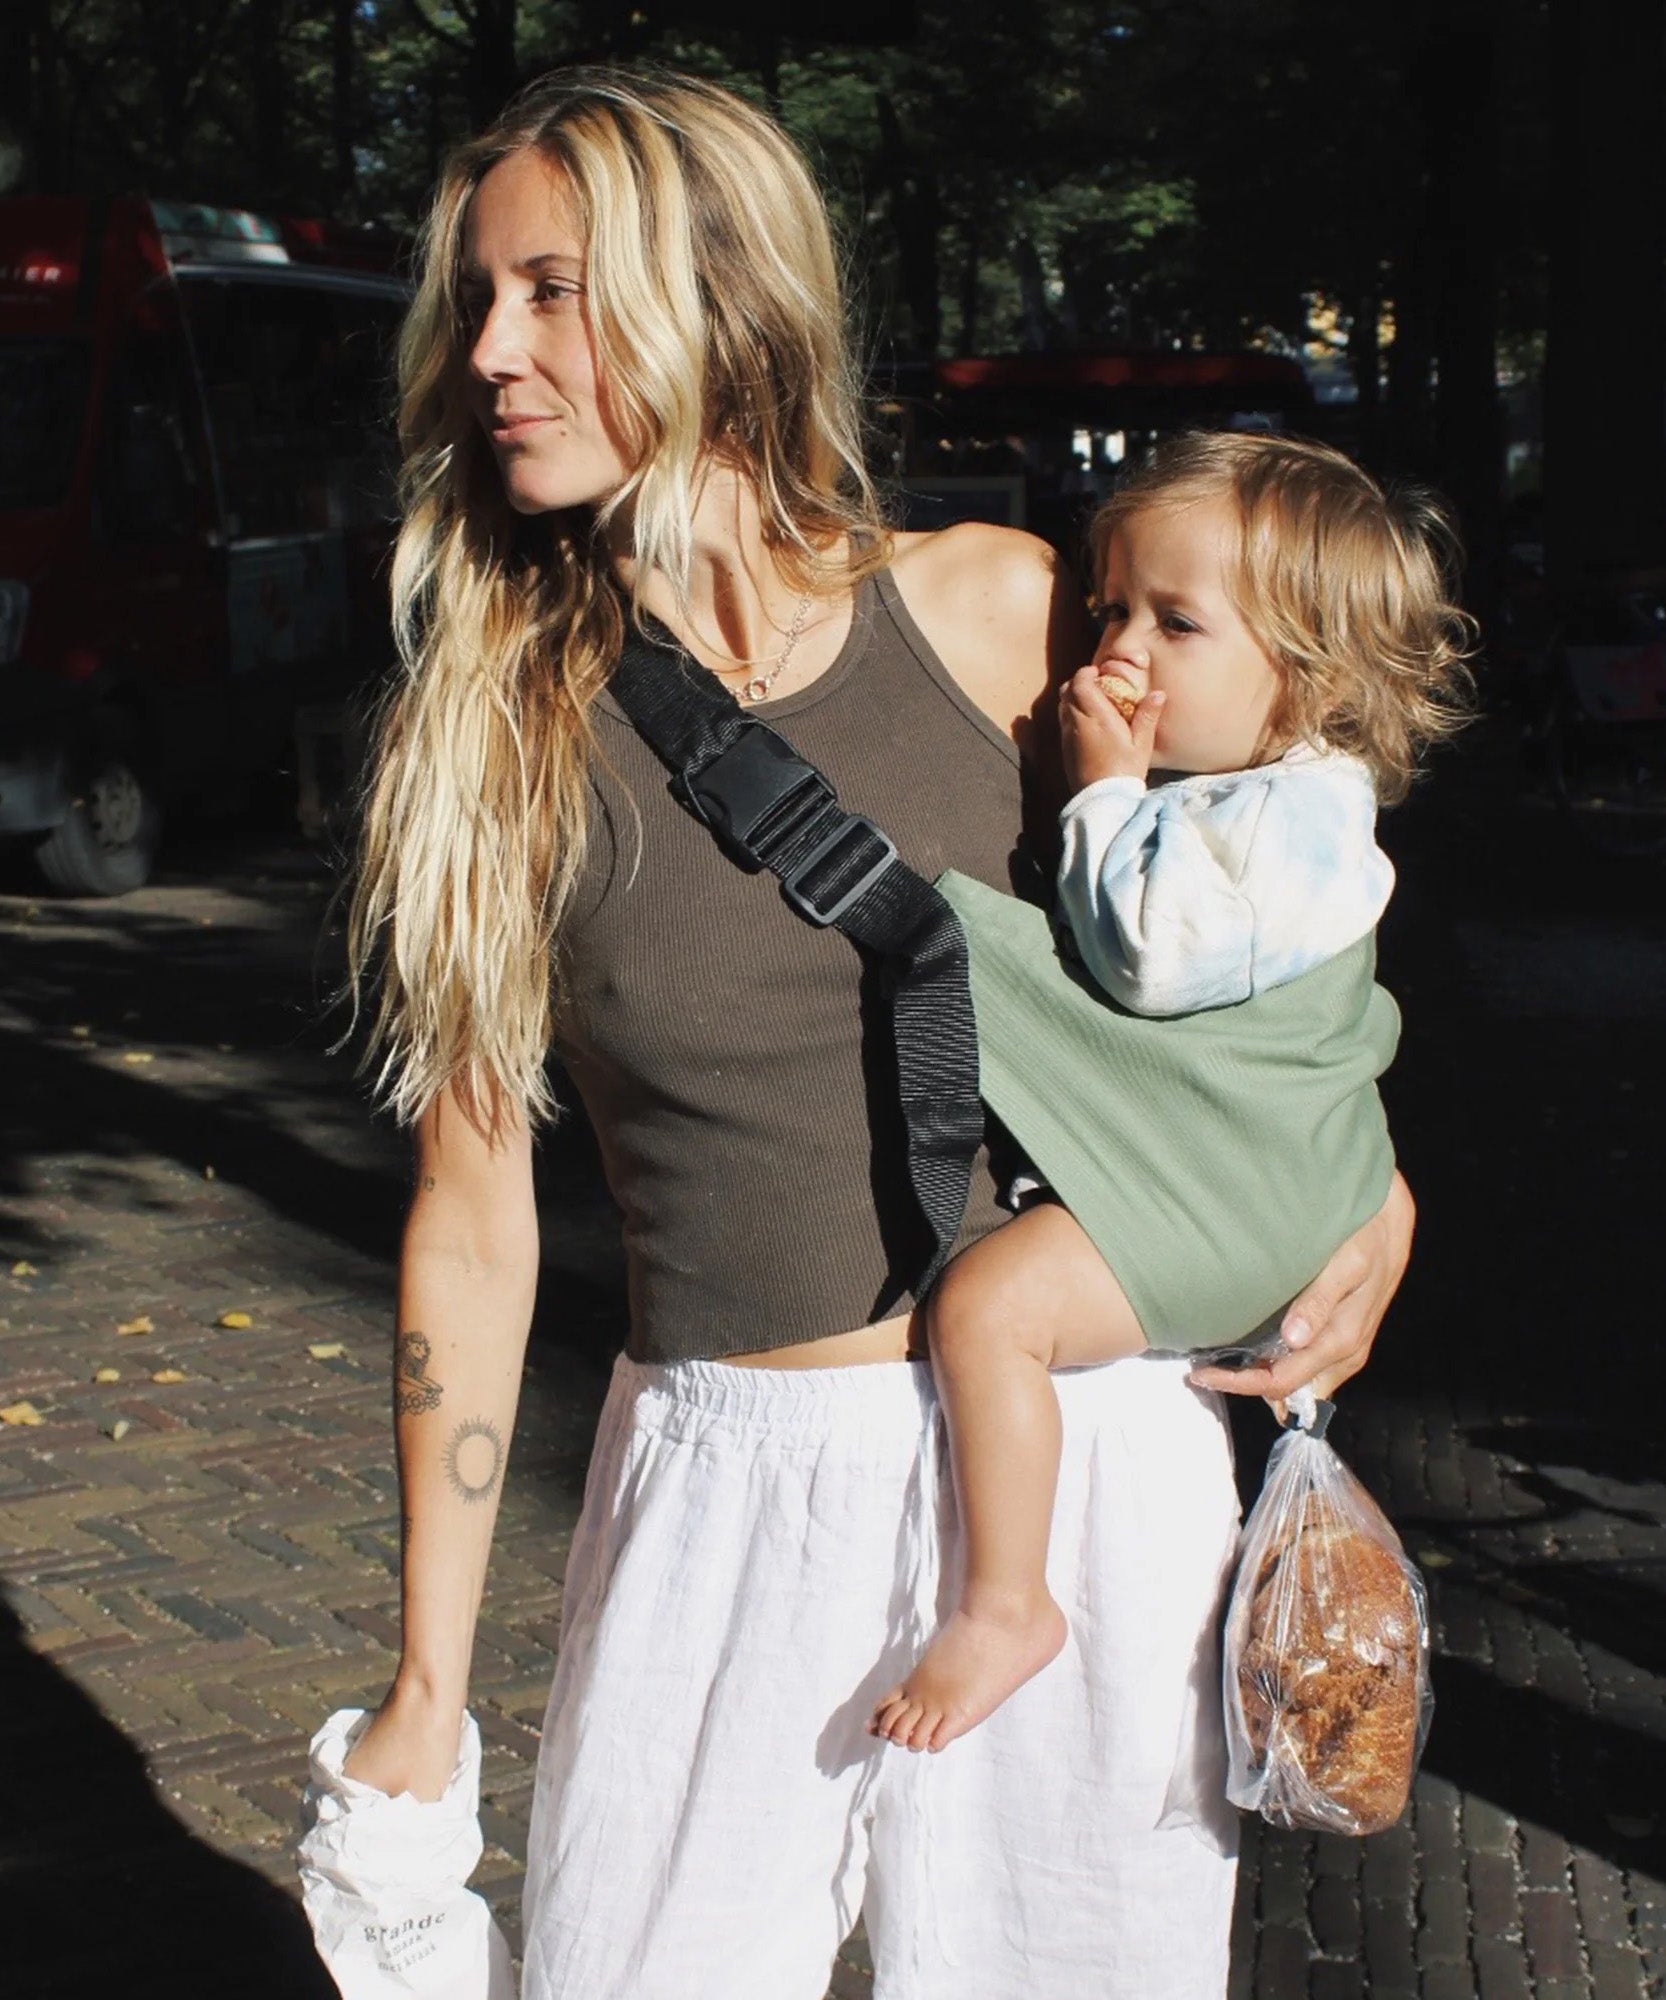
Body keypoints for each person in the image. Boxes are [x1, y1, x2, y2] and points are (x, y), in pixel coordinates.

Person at [336, 67, 1415, 2000]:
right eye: (477, 298)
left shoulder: (1003, 618)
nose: (491, 349)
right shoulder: (488, 742)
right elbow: (475, 1223)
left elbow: (1256, 918)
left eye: (553, 290)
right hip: (732, 1480)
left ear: (720, 295)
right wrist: (428, 1684)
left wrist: (1367, 1181)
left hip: (1088, 1463)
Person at [870, 432, 1472, 1756]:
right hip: (1246, 1177)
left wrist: (1103, 793)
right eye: (1110, 605)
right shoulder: (1253, 789)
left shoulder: (1297, 815)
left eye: (1174, 623)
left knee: (989, 1313)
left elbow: (1146, 963)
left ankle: (1004, 1605)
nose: (1115, 653)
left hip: (1233, 1199)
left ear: (1310, 675)